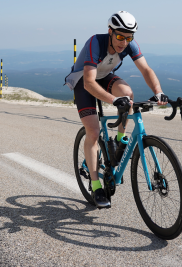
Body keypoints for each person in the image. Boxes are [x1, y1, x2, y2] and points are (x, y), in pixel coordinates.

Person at [65, 11, 169, 208]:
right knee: (93, 132)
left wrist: (159, 92)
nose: (124, 42)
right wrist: (114, 100)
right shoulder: (96, 43)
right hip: (84, 81)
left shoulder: (129, 44)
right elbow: (89, 82)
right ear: (110, 32)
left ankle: (121, 140)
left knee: (128, 94)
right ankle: (96, 186)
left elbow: (146, 69)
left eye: (129, 37)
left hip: (104, 76)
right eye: (120, 36)